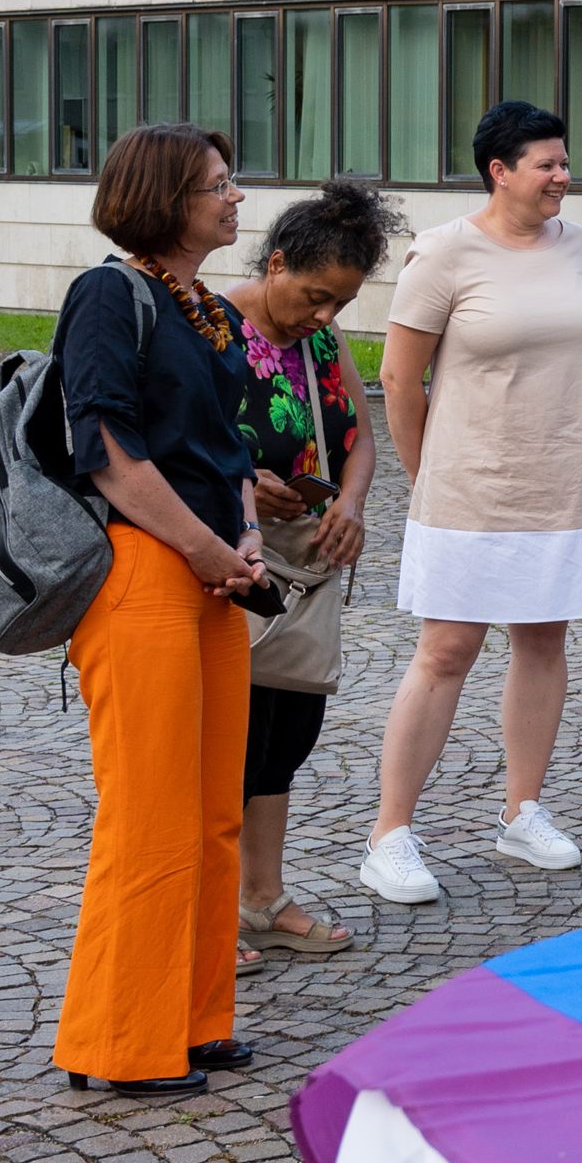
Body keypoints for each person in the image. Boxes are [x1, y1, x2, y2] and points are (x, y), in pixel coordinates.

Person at [358, 101, 582, 903]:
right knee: (445, 651)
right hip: (471, 487)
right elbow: (399, 379)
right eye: (545, 164)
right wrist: (425, 477)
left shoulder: (579, 246)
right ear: (499, 171)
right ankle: (390, 833)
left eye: (563, 160)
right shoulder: (443, 253)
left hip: (569, 480)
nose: (562, 175)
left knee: (544, 640)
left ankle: (522, 811)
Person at [54, 124, 267, 1095]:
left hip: (218, 575)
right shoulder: (109, 294)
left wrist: (248, 537)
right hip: (143, 570)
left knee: (213, 812)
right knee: (147, 814)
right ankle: (119, 1043)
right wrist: (204, 546)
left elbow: (230, 444)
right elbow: (105, 446)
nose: (236, 199)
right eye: (218, 186)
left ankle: (196, 1019)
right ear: (166, 199)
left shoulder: (212, 313)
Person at [225, 179, 401, 957]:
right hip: (231, 563)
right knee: (223, 744)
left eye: (339, 303)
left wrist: (352, 504)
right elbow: (174, 435)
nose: (325, 316)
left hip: (303, 568)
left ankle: (261, 898)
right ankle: (208, 911)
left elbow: (360, 435)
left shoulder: (322, 344)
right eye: (315, 295)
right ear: (277, 262)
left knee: (284, 735)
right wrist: (237, 479)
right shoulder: (212, 326)